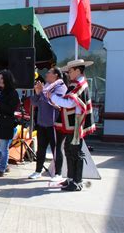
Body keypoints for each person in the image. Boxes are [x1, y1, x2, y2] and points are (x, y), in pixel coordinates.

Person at [48, 59, 96, 191]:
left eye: (70, 71)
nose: (68, 73)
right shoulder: (76, 83)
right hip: (71, 125)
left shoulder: (79, 84)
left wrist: (52, 96)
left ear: (77, 70)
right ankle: (70, 179)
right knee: (69, 152)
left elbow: (69, 103)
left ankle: (77, 181)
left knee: (75, 153)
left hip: (75, 126)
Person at [28, 67, 67, 181]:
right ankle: (38, 171)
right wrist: (37, 93)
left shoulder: (61, 87)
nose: (46, 74)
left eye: (49, 72)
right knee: (41, 149)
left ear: (56, 75)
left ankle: (58, 174)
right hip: (42, 123)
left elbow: (54, 102)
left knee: (56, 149)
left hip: (54, 124)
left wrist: (42, 94)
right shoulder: (45, 87)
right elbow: (34, 102)